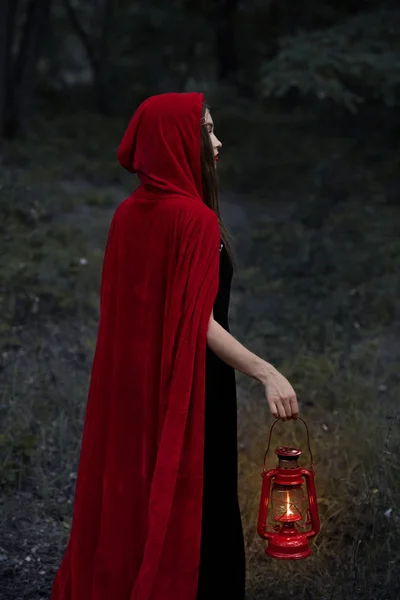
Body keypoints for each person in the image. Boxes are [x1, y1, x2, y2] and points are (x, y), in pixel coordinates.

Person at [49, 92, 298, 600]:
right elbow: (195, 323)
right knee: (197, 508)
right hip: (192, 385)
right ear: (176, 140)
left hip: (133, 386)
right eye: (207, 130)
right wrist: (266, 371)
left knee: (135, 496)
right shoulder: (194, 220)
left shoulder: (127, 214)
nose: (217, 140)